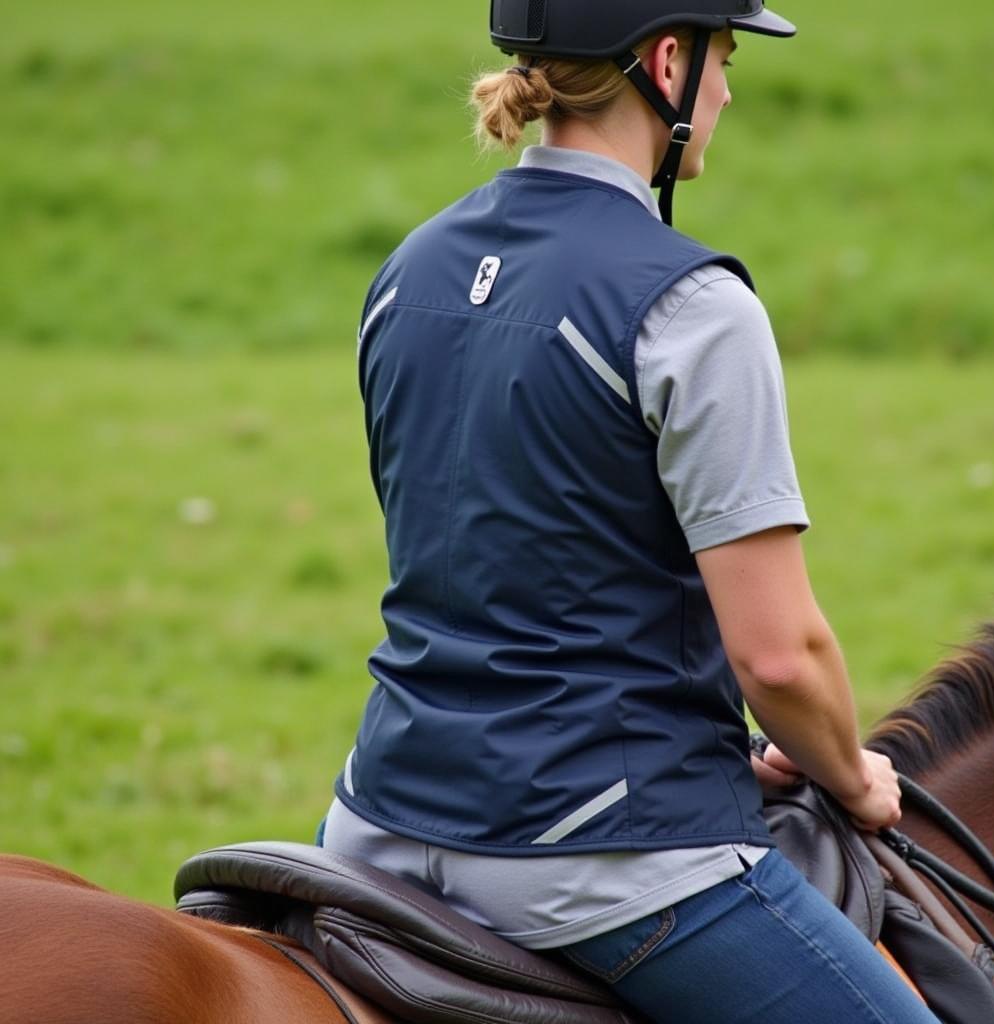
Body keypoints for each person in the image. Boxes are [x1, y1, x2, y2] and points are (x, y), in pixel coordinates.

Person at [322, 3, 942, 1021]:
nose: (728, 90)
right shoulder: (690, 307)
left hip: (378, 817)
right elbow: (780, 657)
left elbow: (505, 565)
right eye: (723, 59)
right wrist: (854, 777)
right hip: (600, 850)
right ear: (665, 61)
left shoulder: (407, 270)